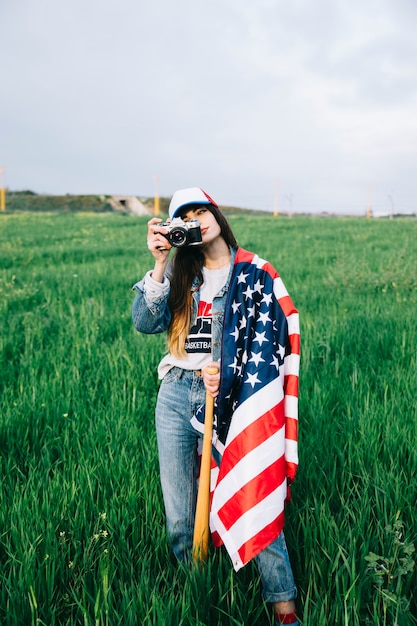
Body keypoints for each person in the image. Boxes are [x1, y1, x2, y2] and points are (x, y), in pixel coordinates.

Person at [132, 187, 300, 626]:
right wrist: (160, 261)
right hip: (175, 394)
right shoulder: (182, 275)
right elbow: (144, 322)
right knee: (181, 518)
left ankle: (284, 607)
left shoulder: (255, 272)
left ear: (217, 216)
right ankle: (198, 598)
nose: (195, 220)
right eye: (183, 217)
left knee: (253, 489)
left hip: (235, 398)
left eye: (200, 211)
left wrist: (228, 370)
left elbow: (274, 338)